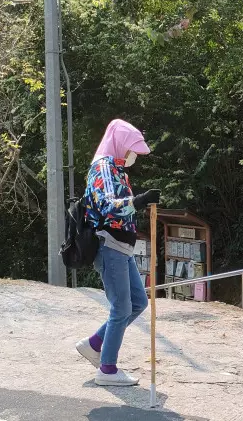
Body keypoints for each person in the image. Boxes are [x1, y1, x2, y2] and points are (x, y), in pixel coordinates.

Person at [75, 119, 160, 386]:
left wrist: (138, 202)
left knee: (137, 302)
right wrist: (139, 200)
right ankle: (107, 369)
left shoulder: (117, 169)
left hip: (121, 247)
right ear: (121, 144)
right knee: (122, 307)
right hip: (109, 244)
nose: (134, 155)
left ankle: (94, 344)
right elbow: (107, 205)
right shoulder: (103, 167)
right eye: (132, 149)